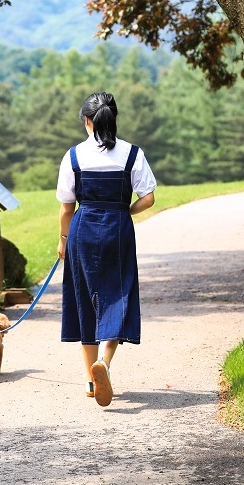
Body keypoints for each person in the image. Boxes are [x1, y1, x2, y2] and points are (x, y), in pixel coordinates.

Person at [56, 92, 157, 407]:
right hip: (118, 229)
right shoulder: (132, 154)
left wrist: (63, 240)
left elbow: (66, 207)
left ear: (87, 121)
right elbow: (149, 197)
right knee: (117, 294)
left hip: (82, 230)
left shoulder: (74, 156)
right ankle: (105, 363)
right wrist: (125, 211)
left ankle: (90, 378)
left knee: (84, 299)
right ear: (114, 118)